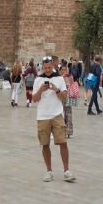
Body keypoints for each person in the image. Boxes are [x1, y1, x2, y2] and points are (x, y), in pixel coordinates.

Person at [32, 54, 75, 182]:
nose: (48, 70)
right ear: (42, 67)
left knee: (63, 142)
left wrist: (56, 90)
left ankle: (66, 171)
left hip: (57, 115)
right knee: (45, 144)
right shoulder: (38, 80)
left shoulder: (59, 79)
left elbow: (64, 98)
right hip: (42, 116)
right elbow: (34, 99)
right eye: (45, 68)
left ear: (53, 66)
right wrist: (41, 90)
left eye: (49, 67)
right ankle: (49, 171)